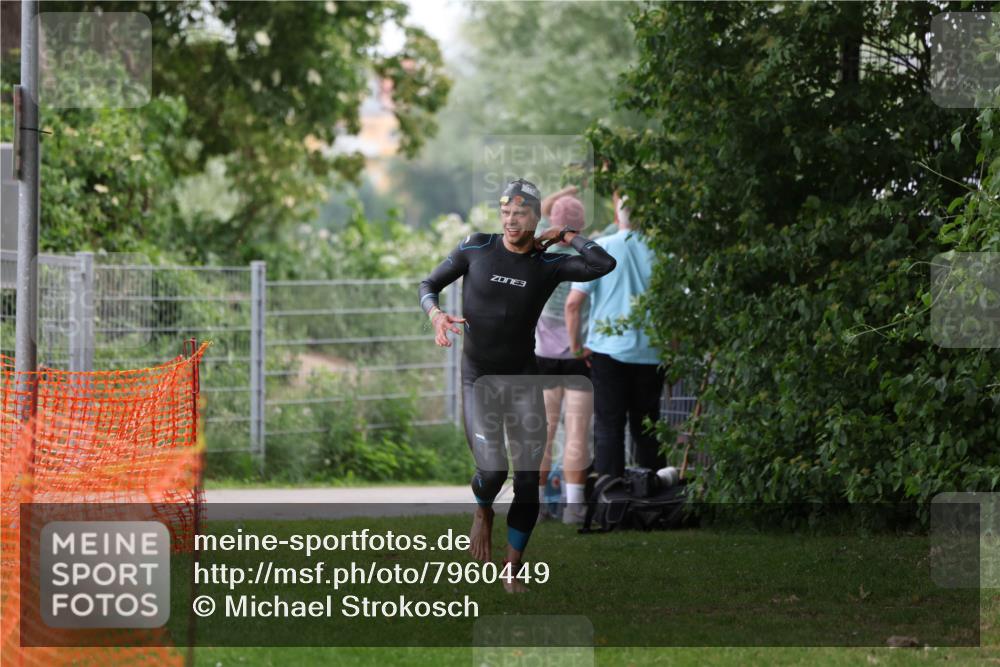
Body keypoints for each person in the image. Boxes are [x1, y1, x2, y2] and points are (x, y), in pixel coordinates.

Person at [418, 178, 615, 592]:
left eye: (521, 214)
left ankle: (512, 570)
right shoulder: (476, 247)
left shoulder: (548, 265)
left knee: (527, 481)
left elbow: (603, 263)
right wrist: (436, 316)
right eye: (506, 212)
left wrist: (565, 235)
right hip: (479, 378)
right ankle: (483, 508)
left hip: (524, 379)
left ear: (536, 217)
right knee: (492, 471)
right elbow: (428, 285)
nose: (510, 220)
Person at [564, 190, 665, 480]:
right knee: (648, 427)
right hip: (651, 352)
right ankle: (654, 490)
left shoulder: (601, 249)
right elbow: (673, 312)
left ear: (616, 217)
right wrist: (672, 350)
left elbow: (573, 305)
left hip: (608, 351)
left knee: (609, 425)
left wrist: (577, 347)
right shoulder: (662, 253)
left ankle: (611, 491)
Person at [533, 191, 595, 525]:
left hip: (542, 356)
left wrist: (565, 192)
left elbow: (543, 209)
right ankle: (574, 507)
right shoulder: (586, 257)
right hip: (577, 356)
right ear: (580, 225)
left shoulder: (539, 255)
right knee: (577, 433)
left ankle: (539, 505)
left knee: (542, 434)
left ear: (553, 223)